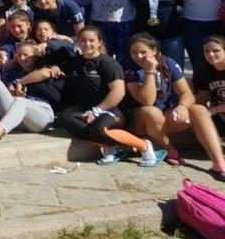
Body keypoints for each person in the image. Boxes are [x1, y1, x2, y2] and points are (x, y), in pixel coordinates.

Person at [22, 26, 166, 167]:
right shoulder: (75, 62)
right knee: (65, 118)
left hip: (110, 111)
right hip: (85, 111)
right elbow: (45, 73)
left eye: (91, 40)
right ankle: (110, 147)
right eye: (83, 41)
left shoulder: (108, 63)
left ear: (99, 42)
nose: (87, 44)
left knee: (98, 129)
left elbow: (118, 92)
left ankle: (143, 145)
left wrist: (97, 110)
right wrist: (20, 82)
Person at [124, 33, 194, 165]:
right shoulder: (129, 69)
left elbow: (186, 93)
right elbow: (146, 101)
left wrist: (183, 106)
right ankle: (168, 148)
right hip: (138, 119)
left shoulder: (167, 63)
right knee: (152, 112)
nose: (138, 56)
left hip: (162, 116)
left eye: (143, 52)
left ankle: (217, 160)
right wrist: (149, 71)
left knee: (195, 112)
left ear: (154, 50)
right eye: (134, 52)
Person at [190, 35, 225, 181]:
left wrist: (215, 110)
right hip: (220, 118)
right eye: (206, 51)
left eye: (216, 50)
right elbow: (202, 99)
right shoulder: (203, 72)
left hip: (218, 110)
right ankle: (219, 164)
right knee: (196, 109)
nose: (210, 55)